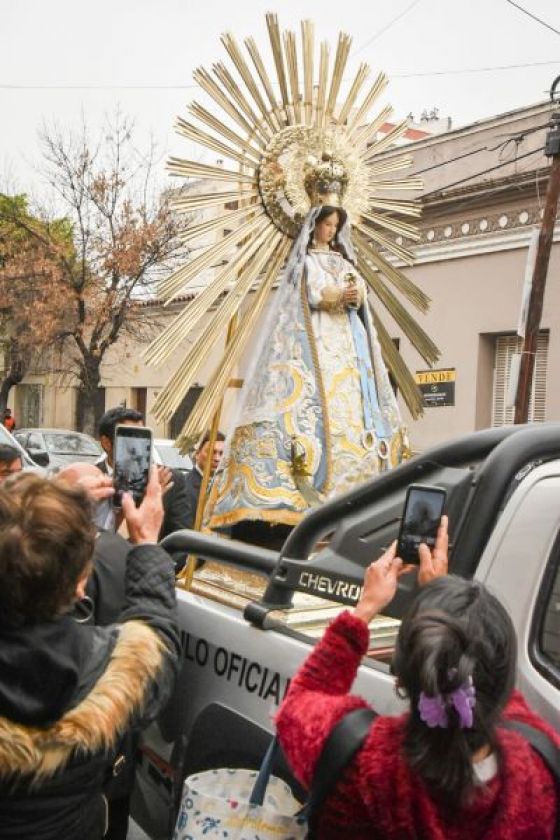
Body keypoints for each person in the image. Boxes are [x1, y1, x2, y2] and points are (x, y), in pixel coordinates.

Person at [276, 517, 559, 838]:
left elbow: (302, 698)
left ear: (401, 679)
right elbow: (492, 686)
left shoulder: (358, 765)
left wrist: (366, 608)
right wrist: (439, 604)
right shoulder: (540, 774)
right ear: (505, 682)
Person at [205, 199, 409, 541]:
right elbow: (306, 293)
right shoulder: (306, 263)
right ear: (314, 225)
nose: (331, 231)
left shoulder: (344, 261)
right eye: (327, 224)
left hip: (348, 342)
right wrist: (335, 294)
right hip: (316, 337)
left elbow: (361, 294)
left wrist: (356, 293)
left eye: (335, 225)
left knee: (352, 403)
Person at [0, 467, 180, 840]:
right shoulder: (113, 671)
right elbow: (155, 635)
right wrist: (146, 544)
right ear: (82, 581)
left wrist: (50, 502)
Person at [97, 407, 190, 567]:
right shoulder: (89, 478)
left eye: (142, 440)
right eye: (129, 441)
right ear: (106, 443)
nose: (137, 449)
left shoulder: (170, 480)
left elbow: (181, 544)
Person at [184, 430, 225, 529]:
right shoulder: (184, 487)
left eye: (221, 453)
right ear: (197, 453)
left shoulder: (226, 489)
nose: (217, 458)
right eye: (212, 452)